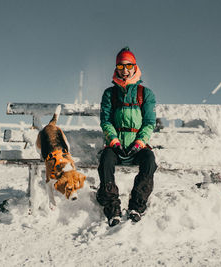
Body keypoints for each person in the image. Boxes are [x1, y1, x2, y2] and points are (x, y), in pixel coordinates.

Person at [96, 47, 157, 227]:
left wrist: (140, 142)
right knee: (106, 160)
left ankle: (137, 205)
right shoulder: (110, 93)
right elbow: (105, 120)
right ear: (117, 68)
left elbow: (149, 122)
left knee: (149, 160)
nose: (125, 70)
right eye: (121, 66)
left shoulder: (145, 93)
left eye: (128, 65)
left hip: (137, 146)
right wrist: (113, 140)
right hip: (116, 145)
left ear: (134, 67)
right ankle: (112, 207)